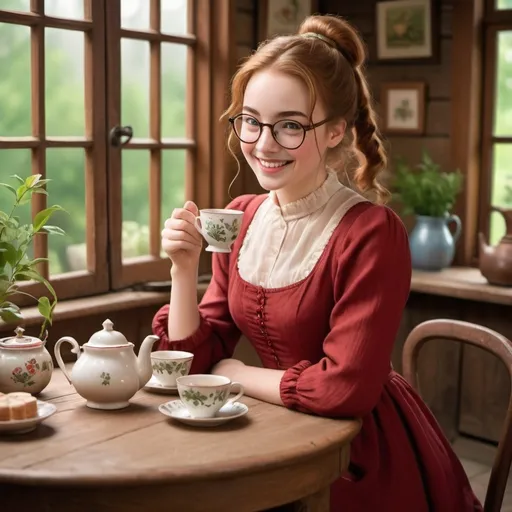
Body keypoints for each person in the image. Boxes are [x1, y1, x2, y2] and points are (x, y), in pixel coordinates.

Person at [152, 14, 482, 512]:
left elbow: (344, 389)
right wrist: (182, 269)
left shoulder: (371, 232)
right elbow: (189, 365)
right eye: (251, 120)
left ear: (335, 132)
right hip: (274, 426)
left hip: (358, 448)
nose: (263, 143)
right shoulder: (241, 217)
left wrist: (236, 371)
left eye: (289, 125)